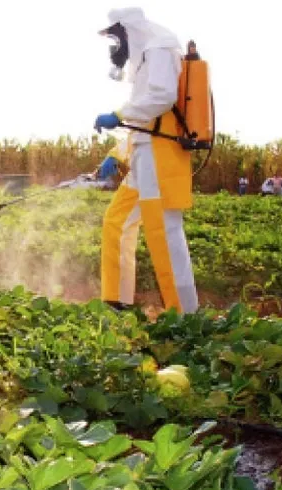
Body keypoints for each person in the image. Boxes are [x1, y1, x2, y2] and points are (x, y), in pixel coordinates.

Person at [93, 7, 198, 314]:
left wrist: (119, 115)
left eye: (116, 36)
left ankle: (184, 314)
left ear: (129, 30)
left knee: (163, 231)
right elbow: (145, 121)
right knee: (117, 221)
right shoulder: (144, 57)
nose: (115, 44)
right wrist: (116, 154)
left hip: (161, 156)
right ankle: (117, 301)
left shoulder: (160, 47)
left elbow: (162, 97)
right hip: (144, 153)